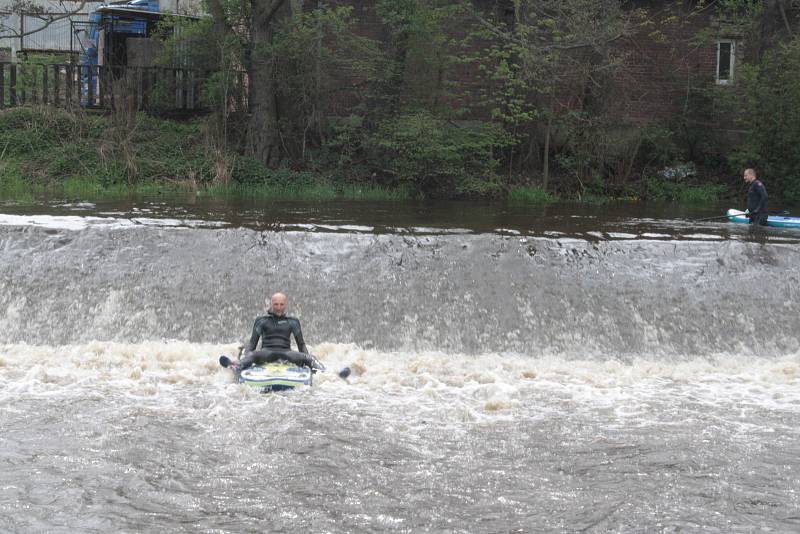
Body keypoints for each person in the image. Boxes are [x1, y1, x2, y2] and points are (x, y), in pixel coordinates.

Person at [234, 292, 324, 372]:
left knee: (310, 358)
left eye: (281, 304)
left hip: (287, 354)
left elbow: (301, 345)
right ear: (271, 304)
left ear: (285, 305)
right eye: (276, 304)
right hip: (267, 353)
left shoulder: (293, 322)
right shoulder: (262, 321)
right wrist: (246, 357)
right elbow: (252, 344)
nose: (279, 308)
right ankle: (237, 366)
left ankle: (323, 371)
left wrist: (306, 360)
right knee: (251, 355)